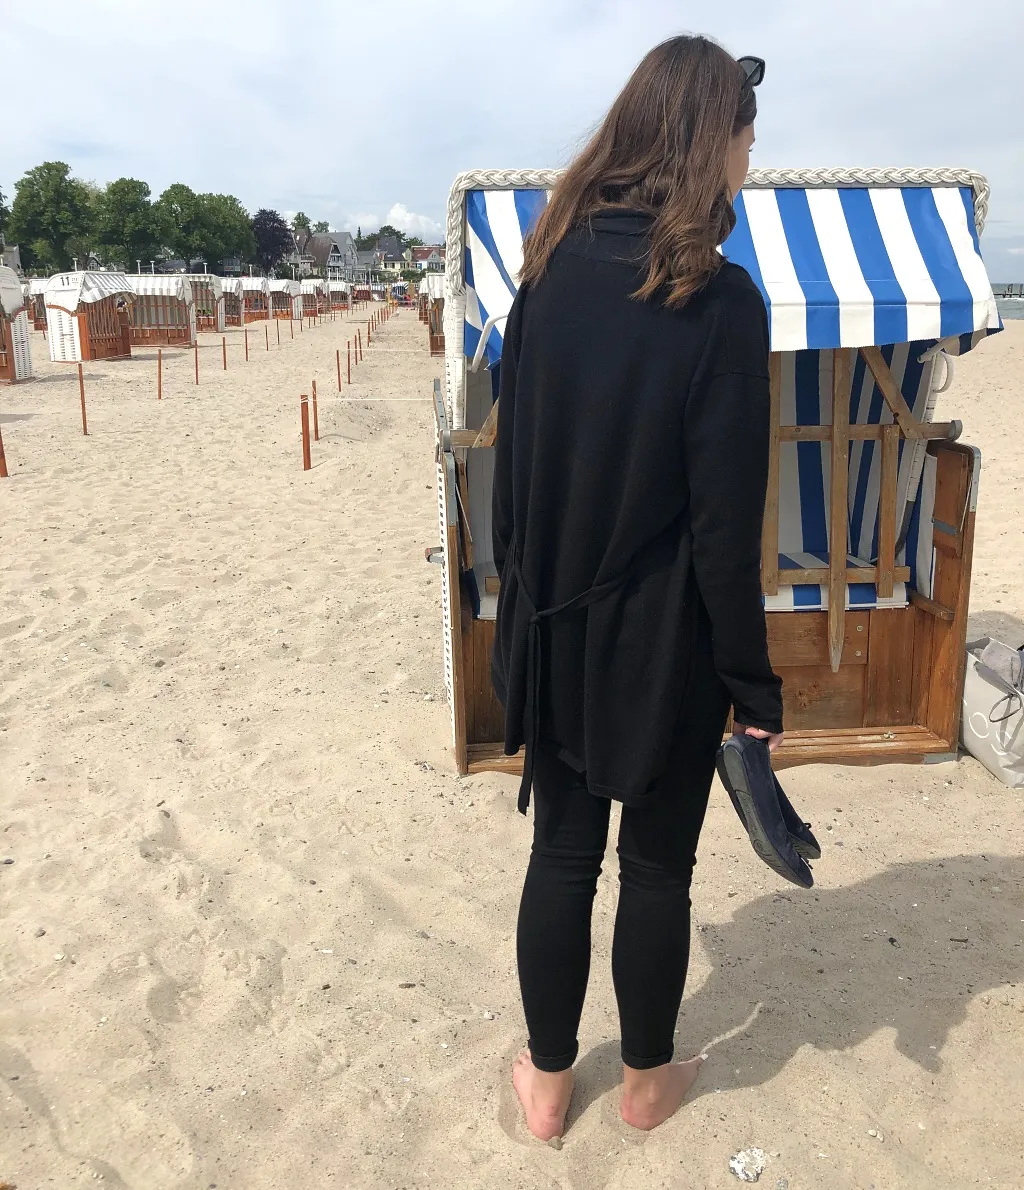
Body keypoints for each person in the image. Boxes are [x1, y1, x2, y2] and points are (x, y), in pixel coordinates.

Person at [490, 35, 784, 1139]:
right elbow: (723, 530)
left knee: (561, 852)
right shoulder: (717, 301)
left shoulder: (545, 274)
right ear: (711, 141)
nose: (751, 160)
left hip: (555, 625)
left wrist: (520, 620)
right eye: (748, 138)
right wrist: (753, 683)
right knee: (656, 866)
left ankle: (550, 1084)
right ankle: (649, 1083)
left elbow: (509, 480)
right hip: (669, 639)